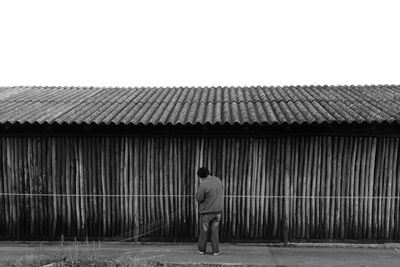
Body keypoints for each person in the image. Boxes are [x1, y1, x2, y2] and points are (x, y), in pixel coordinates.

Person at [195, 167, 223, 256]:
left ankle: (201, 250)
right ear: (208, 173)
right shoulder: (218, 180)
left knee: (204, 231)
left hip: (206, 212)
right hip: (218, 212)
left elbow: (199, 198)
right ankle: (215, 251)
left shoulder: (203, 184)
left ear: (201, 177)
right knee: (215, 232)